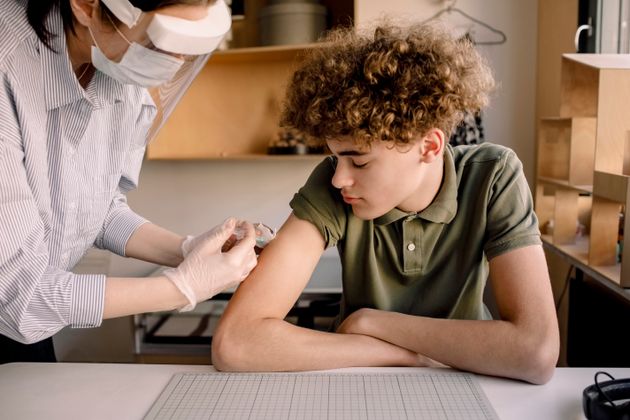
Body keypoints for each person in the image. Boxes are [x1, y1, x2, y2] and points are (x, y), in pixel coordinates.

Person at [212, 22, 560, 384]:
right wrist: (403, 354)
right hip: (363, 379)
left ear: (429, 146)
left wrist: (372, 323)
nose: (339, 178)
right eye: (336, 157)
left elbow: (536, 352)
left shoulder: (494, 176)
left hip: (474, 384)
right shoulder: (331, 184)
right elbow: (236, 343)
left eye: (359, 161)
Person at [0, 0, 258, 363]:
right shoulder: (7, 68)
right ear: (87, 6)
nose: (175, 63)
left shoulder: (114, 59)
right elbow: (20, 297)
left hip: (32, 324)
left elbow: (96, 209)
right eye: (159, 43)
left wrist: (186, 250)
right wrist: (182, 287)